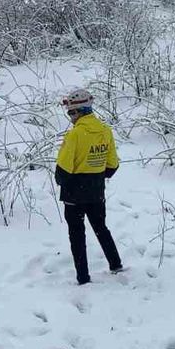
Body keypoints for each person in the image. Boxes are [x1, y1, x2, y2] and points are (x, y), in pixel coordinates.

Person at [55, 88, 122, 285]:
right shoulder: (105, 131)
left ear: (79, 111)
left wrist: (64, 182)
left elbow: (63, 170)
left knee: (76, 234)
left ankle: (83, 277)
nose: (70, 117)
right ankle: (115, 264)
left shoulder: (74, 135)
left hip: (73, 192)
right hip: (96, 190)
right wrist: (97, 176)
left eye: (71, 113)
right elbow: (113, 165)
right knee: (101, 227)